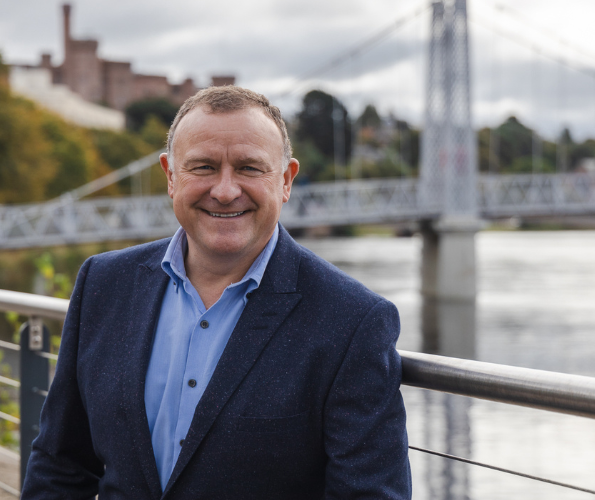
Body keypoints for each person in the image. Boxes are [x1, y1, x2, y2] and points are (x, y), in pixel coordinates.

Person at [22, 86, 411, 499]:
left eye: (249, 168)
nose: (225, 191)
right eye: (203, 167)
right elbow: (60, 464)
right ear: (171, 176)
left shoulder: (352, 320)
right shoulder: (103, 284)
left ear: (286, 180)